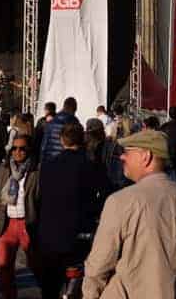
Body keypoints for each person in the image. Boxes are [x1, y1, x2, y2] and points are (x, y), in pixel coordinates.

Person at [82, 129, 176, 298]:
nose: (122, 157)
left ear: (146, 156)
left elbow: (99, 265)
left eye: (127, 152)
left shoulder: (120, 202)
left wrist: (89, 295)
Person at [35, 121, 107, 298]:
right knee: (77, 281)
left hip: (50, 232)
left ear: (62, 140)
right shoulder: (89, 165)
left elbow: (40, 197)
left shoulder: (48, 166)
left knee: (50, 284)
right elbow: (102, 193)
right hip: (79, 230)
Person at [0, 133, 40, 299]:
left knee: (37, 267)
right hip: (7, 224)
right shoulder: (4, 169)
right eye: (14, 149)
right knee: (5, 268)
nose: (18, 152)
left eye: (22, 149)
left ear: (29, 150)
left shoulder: (36, 171)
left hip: (28, 223)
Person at [39, 96, 79, 163]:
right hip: (64, 160)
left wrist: (42, 161)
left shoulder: (51, 122)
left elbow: (44, 144)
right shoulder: (73, 122)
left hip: (49, 159)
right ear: (74, 109)